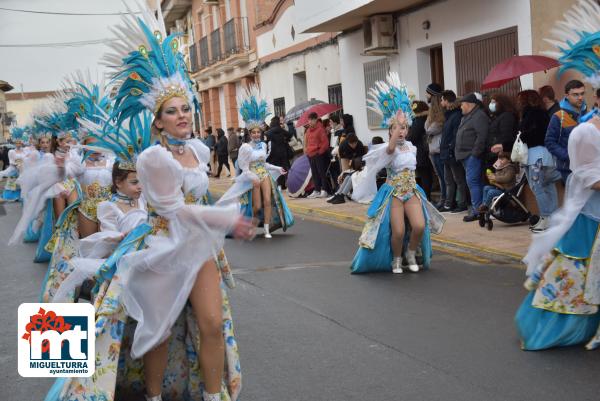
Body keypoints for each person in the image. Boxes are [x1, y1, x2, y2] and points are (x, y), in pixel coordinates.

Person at [516, 119, 600, 351]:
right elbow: (586, 175)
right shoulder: (587, 132)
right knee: (573, 274)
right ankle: (553, 331)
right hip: (588, 221)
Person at [352, 72, 441, 274]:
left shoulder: (412, 147)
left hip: (411, 190)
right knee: (398, 231)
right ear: (390, 130)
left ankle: (411, 253)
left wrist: (401, 122)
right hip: (394, 193)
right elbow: (391, 150)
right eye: (397, 128)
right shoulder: (386, 148)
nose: (401, 131)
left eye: (404, 128)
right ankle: (397, 259)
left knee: (419, 226)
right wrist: (397, 122)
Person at [517, 90, 561, 232]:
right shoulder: (542, 113)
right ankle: (553, 217)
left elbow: (536, 134)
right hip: (543, 156)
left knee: (538, 186)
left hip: (535, 157)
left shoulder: (532, 114)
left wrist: (522, 135)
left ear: (525, 100)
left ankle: (546, 218)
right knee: (547, 185)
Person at [455, 92, 490, 222]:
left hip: (472, 155)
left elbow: (481, 137)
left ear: (469, 104)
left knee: (473, 182)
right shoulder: (468, 115)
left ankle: (476, 211)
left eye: (462, 104)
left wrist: (475, 154)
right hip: (465, 155)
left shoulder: (479, 116)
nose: (460, 107)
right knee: (474, 183)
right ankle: (479, 209)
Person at [545, 79, 587, 183]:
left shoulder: (588, 114)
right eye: (575, 94)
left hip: (588, 168)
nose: (580, 97)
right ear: (567, 95)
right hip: (568, 169)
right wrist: (569, 156)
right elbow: (549, 142)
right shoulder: (559, 116)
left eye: (582, 93)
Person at [439, 90, 467, 213]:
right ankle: (448, 204)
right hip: (446, 153)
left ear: (446, 100)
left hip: (452, 153)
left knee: (459, 179)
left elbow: (456, 135)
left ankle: (462, 204)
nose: (440, 102)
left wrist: (451, 148)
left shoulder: (456, 115)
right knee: (448, 180)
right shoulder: (449, 114)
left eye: (441, 99)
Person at [407, 100, 433, 200]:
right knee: (426, 175)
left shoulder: (419, 120)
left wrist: (407, 137)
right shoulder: (425, 118)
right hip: (424, 150)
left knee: (424, 175)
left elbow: (413, 137)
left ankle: (425, 197)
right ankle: (425, 196)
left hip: (421, 152)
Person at [486, 92, 518, 167]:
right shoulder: (498, 116)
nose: (491, 104)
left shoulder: (506, 116)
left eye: (493, 102)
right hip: (494, 153)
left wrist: (501, 149)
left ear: (501, 103)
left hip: (500, 155)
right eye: (491, 102)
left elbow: (506, 136)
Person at [425, 93, 446, 206]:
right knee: (439, 176)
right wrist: (429, 118)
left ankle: (445, 199)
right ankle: (443, 198)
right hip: (432, 149)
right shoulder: (431, 116)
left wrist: (429, 124)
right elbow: (426, 127)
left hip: (438, 149)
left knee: (443, 176)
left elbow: (431, 129)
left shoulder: (440, 118)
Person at [304, 112, 331, 198]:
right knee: (314, 173)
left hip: (318, 154)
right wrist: (307, 152)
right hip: (310, 154)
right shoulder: (308, 130)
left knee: (321, 172)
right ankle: (317, 190)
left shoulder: (320, 129)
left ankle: (324, 190)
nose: (310, 122)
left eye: (312, 120)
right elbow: (307, 142)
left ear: (316, 119)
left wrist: (320, 152)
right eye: (309, 120)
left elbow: (325, 143)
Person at [0, 127, 27, 201]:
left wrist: (23, 165)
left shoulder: (24, 151)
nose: (18, 144)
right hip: (14, 170)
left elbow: (26, 159)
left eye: (19, 143)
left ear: (21, 143)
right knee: (12, 184)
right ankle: (10, 196)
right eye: (17, 143)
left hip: (22, 169)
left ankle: (20, 196)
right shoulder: (11, 151)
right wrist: (16, 164)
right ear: (15, 143)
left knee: (21, 184)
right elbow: (11, 161)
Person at [265, 115, 292, 189]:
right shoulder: (281, 130)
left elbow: (266, 139)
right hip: (283, 152)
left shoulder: (269, 132)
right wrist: (285, 139)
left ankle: (280, 184)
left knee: (277, 168)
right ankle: (288, 183)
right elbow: (290, 135)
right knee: (285, 168)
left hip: (274, 153)